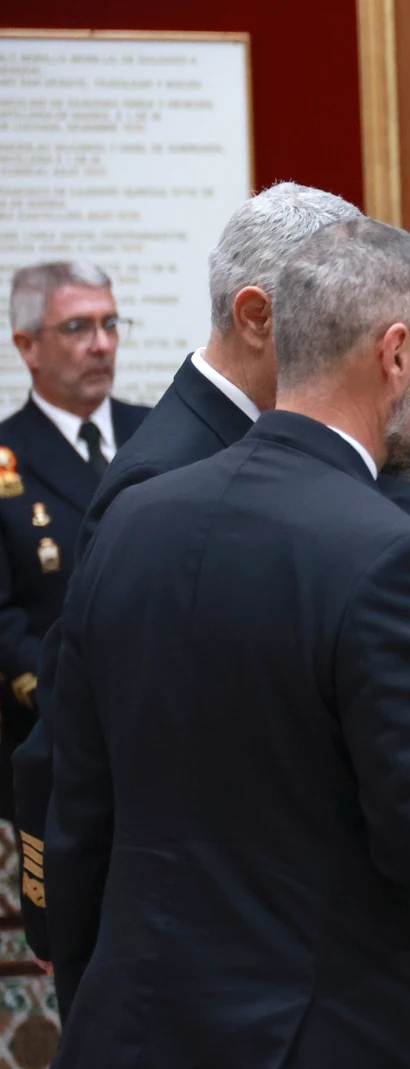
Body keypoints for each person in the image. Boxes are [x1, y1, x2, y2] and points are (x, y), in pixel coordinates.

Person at [43, 217, 410, 1066]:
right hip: (323, 1033)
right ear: (397, 355)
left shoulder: (132, 516)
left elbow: (77, 800)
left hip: (131, 1023)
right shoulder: (391, 553)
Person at [12, 183, 364, 963]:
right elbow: (84, 726)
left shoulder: (219, 440)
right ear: (256, 316)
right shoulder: (168, 473)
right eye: (341, 316)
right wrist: (70, 928)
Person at [0, 263, 149, 826]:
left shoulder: (158, 433)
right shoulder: (6, 455)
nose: (102, 344)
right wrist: (67, 698)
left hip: (169, 728)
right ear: (27, 346)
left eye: (111, 324)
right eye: (78, 328)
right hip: (56, 739)